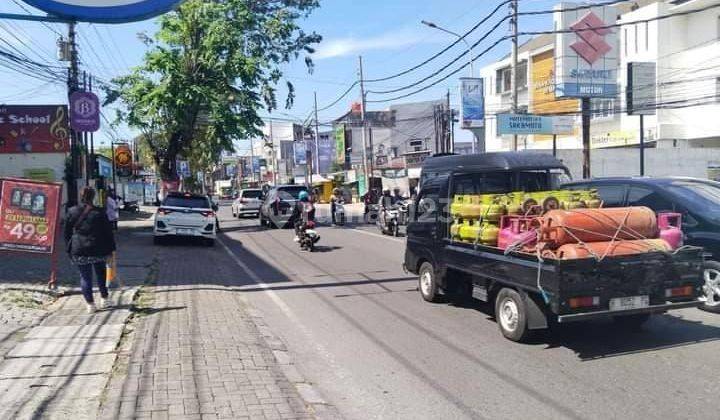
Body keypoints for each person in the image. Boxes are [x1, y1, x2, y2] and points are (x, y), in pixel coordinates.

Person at [65, 187, 115, 313]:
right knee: (101, 273)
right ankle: (104, 298)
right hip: (98, 248)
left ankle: (90, 305)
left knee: (85, 277)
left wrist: (68, 248)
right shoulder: (100, 212)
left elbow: (66, 233)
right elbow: (108, 233)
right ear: (93, 197)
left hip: (79, 249)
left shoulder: (72, 211)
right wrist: (111, 250)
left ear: (80, 196)